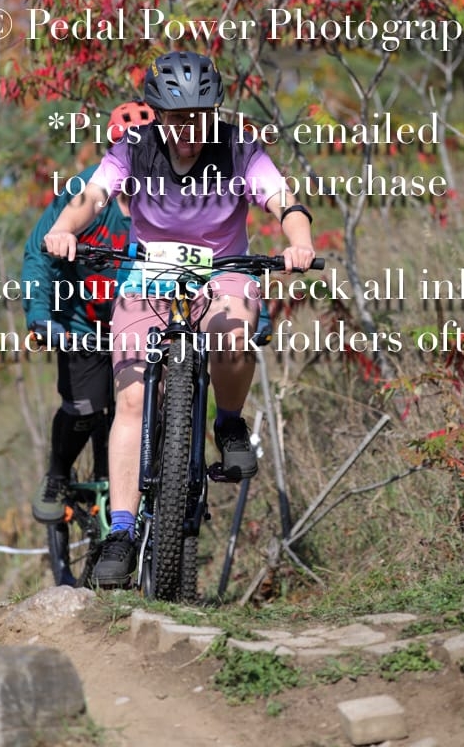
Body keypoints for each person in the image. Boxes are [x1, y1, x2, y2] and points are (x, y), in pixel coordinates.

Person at [43, 51, 316, 587]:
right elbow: (92, 197)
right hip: (150, 277)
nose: (188, 130)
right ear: (158, 115)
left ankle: (229, 422)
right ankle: (122, 532)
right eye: (176, 118)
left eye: (199, 117)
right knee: (131, 400)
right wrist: (64, 229)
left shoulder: (239, 148)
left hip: (223, 272)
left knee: (234, 336)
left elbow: (285, 203)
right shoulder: (133, 149)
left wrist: (299, 242)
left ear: (214, 112)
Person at [23, 102, 152, 524]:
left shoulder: (173, 199)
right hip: (84, 321)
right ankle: (58, 475)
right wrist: (41, 315)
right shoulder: (85, 193)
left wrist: (252, 319)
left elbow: (220, 256)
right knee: (83, 409)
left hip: (146, 324)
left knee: (155, 411)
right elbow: (39, 254)